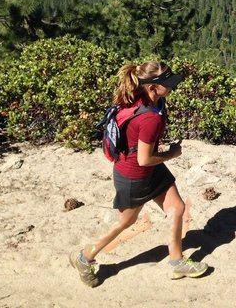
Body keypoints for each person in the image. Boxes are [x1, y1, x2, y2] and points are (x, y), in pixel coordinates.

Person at [69, 60, 208, 287]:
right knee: (125, 222)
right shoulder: (150, 118)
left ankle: (177, 261)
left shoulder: (144, 100)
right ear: (152, 87)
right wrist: (172, 154)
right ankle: (84, 257)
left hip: (144, 169)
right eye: (167, 83)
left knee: (176, 208)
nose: (172, 87)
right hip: (135, 175)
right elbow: (144, 159)